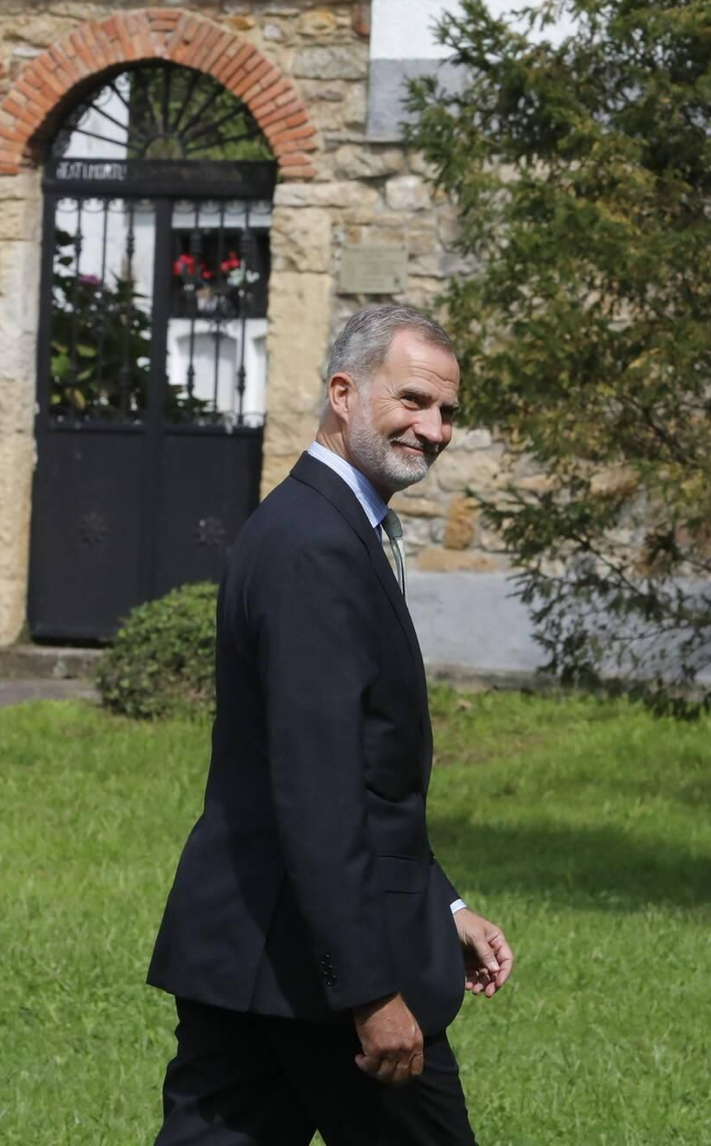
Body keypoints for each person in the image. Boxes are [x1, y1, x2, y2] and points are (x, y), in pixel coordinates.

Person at [148, 303, 515, 1145]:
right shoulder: (316, 544)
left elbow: (362, 771)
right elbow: (319, 789)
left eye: (449, 411)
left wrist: (442, 902)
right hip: (324, 979)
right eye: (415, 400)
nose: (435, 428)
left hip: (252, 949)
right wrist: (371, 992)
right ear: (343, 392)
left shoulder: (323, 524)